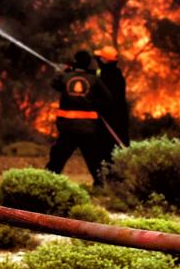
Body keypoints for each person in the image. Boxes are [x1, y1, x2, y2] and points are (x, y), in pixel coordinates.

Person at [46, 49, 113, 186]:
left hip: (67, 128)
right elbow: (108, 98)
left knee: (58, 158)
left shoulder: (66, 77)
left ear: (75, 62)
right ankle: (100, 185)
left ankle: (47, 182)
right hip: (88, 128)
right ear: (88, 63)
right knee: (94, 158)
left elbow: (54, 84)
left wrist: (63, 71)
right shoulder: (94, 79)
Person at [94, 45, 130, 148]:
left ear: (105, 61)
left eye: (100, 58)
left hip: (110, 118)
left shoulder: (108, 77)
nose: (97, 60)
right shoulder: (116, 73)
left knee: (111, 147)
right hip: (119, 116)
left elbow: (104, 98)